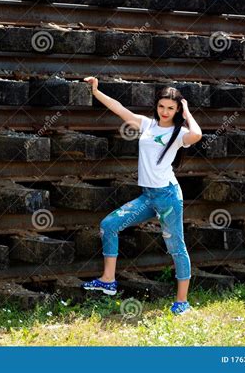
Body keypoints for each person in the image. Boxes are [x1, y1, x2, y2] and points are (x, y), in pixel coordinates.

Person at [81, 76, 203, 315]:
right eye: (161, 106)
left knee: (176, 247)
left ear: (176, 109)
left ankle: (182, 302)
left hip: (168, 197)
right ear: (156, 106)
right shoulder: (148, 125)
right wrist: (96, 92)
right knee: (109, 224)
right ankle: (108, 280)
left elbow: (197, 134)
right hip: (148, 196)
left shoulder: (179, 134)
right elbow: (120, 109)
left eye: (171, 108)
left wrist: (187, 111)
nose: (165, 111)